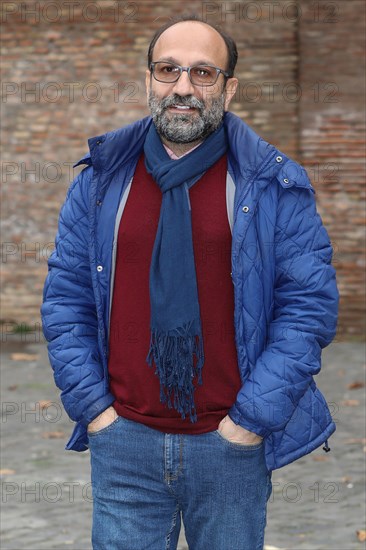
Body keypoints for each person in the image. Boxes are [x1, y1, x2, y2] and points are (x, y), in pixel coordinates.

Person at [41, 15, 339, 550]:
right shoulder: (101, 180)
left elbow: (308, 307)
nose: (182, 86)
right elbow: (67, 297)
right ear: (149, 80)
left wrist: (250, 422)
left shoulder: (273, 184)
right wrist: (95, 410)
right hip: (123, 441)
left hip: (229, 446)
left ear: (230, 88)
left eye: (203, 72)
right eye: (168, 70)